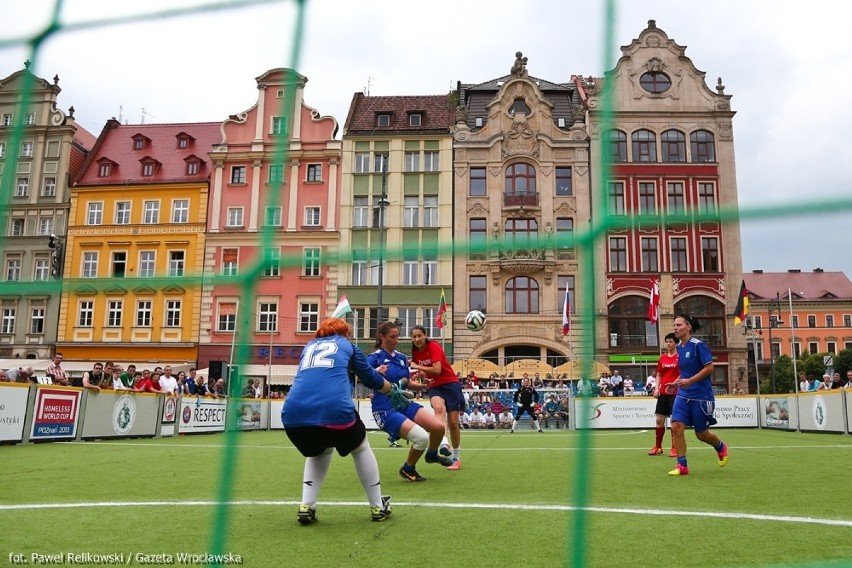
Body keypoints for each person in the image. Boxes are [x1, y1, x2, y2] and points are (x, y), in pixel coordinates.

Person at [282, 317, 408, 524]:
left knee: (318, 451)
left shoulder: (309, 346)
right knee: (360, 447)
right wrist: (392, 390)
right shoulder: (348, 346)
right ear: (343, 333)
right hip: (335, 411)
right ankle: (377, 507)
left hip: (293, 416)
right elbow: (371, 380)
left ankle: (307, 505)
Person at [367, 321, 454, 483]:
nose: (396, 340)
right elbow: (363, 377)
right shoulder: (374, 357)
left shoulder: (401, 357)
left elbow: (406, 382)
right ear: (382, 337)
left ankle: (432, 454)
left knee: (438, 428)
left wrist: (420, 385)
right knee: (422, 438)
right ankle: (408, 468)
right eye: (392, 337)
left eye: (397, 336)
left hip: (403, 404)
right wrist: (375, 371)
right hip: (385, 408)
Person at [668, 315, 728, 476]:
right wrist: (676, 383)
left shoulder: (698, 346)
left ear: (688, 327)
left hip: (702, 396)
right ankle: (682, 465)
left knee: (701, 434)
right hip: (683, 395)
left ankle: (720, 446)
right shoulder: (679, 348)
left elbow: (709, 368)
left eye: (678, 324)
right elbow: (685, 372)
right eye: (674, 325)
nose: (675, 328)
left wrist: (690, 381)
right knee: (676, 427)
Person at [410, 324, 464, 470]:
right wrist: (420, 374)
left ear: (425, 335)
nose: (417, 339)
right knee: (439, 409)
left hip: (450, 384)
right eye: (414, 337)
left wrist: (417, 366)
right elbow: (426, 371)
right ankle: (444, 443)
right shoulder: (415, 351)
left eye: (419, 336)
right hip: (434, 386)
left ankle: (457, 458)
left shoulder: (433, 346)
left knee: (453, 423)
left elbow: (437, 369)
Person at [649, 332, 679, 457]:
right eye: (666, 341)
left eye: (671, 341)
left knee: (674, 421)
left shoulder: (680, 357)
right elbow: (659, 374)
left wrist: (675, 383)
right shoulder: (662, 358)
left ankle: (674, 448)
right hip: (663, 393)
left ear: (676, 343)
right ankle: (658, 447)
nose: (668, 343)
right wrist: (656, 388)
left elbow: (684, 373)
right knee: (659, 420)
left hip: (675, 393)